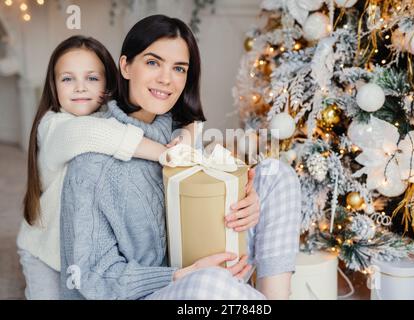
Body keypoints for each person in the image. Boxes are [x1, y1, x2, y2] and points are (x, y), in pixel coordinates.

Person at [60, 15, 301, 300]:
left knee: (277, 174)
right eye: (152, 62)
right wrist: (182, 274)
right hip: (148, 292)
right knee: (209, 283)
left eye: (179, 68)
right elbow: (92, 276)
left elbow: (205, 207)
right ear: (125, 66)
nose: (166, 78)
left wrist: (247, 203)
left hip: (207, 270)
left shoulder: (180, 133)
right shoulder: (91, 163)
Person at [17, 35, 189, 299]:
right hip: (45, 251)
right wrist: (163, 154)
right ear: (53, 86)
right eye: (67, 79)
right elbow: (91, 133)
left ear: (109, 82)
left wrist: (187, 135)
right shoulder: (53, 126)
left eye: (92, 78)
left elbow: (178, 122)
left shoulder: (107, 117)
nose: (80, 88)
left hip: (82, 248)